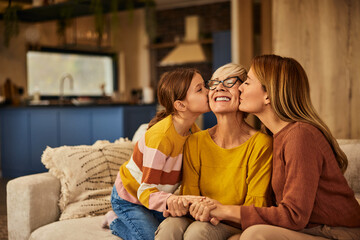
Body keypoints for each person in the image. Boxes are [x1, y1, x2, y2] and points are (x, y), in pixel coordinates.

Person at [189, 54, 360, 239]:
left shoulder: (300, 136)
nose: (240, 89)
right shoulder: (278, 136)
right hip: (308, 229)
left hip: (335, 232)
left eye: (247, 82)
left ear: (268, 95)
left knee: (254, 235)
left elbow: (294, 215)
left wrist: (224, 210)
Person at [155, 63, 273, 240]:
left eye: (230, 81)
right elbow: (191, 195)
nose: (219, 87)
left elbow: (255, 207)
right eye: (214, 83)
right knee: (170, 226)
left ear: (243, 92)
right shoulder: (194, 141)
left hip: (234, 224)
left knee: (199, 232)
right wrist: (182, 204)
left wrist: (215, 211)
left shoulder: (261, 144)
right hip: (198, 217)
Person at [102, 68, 210, 240]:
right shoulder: (161, 139)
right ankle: (113, 220)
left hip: (154, 198)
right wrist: (169, 202)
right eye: (200, 89)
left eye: (205, 86)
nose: (208, 91)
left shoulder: (194, 132)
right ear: (181, 105)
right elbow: (145, 191)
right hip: (130, 197)